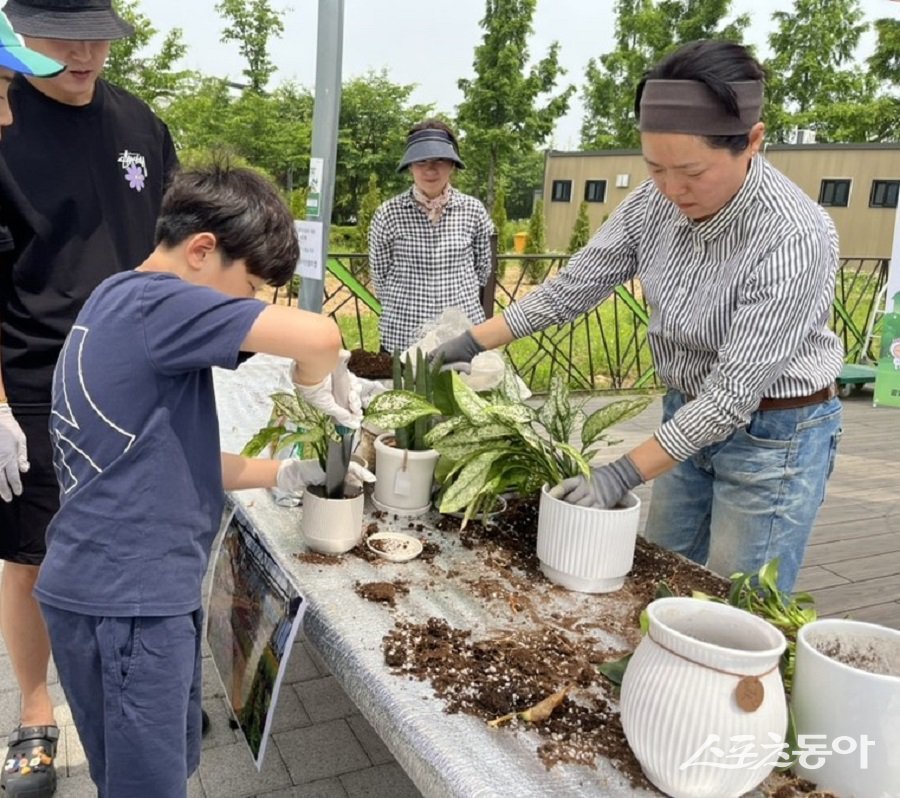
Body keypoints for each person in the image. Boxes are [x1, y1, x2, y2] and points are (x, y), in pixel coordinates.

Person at [433, 40, 843, 593]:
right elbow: (572, 289)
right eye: (656, 168)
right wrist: (471, 341)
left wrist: (622, 473)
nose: (673, 190)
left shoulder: (793, 234)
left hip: (775, 432)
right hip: (685, 416)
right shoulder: (652, 204)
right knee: (660, 572)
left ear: (752, 141)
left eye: (692, 171)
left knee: (736, 601)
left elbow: (730, 397)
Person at [35, 163, 366, 797]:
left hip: (111, 590)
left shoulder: (115, 300)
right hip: (131, 603)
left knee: (143, 773)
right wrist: (312, 386)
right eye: (246, 289)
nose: (247, 310)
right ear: (201, 250)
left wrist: (289, 471)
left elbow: (177, 458)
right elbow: (321, 334)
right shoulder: (157, 302)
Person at [0, 1, 179, 793]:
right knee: (33, 554)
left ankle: (149, 693)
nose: (83, 53)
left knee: (147, 540)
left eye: (98, 36)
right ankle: (36, 710)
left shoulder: (141, 122)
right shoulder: (3, 122)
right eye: (59, 35)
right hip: (36, 382)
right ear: (16, 29)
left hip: (142, 375)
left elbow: (182, 248)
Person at [368, 118, 495, 354]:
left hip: (460, 336)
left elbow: (483, 269)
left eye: (439, 160)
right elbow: (380, 275)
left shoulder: (473, 210)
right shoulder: (388, 214)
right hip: (403, 334)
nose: (430, 169)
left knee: (461, 391)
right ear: (410, 166)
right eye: (421, 161)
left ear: (452, 165)